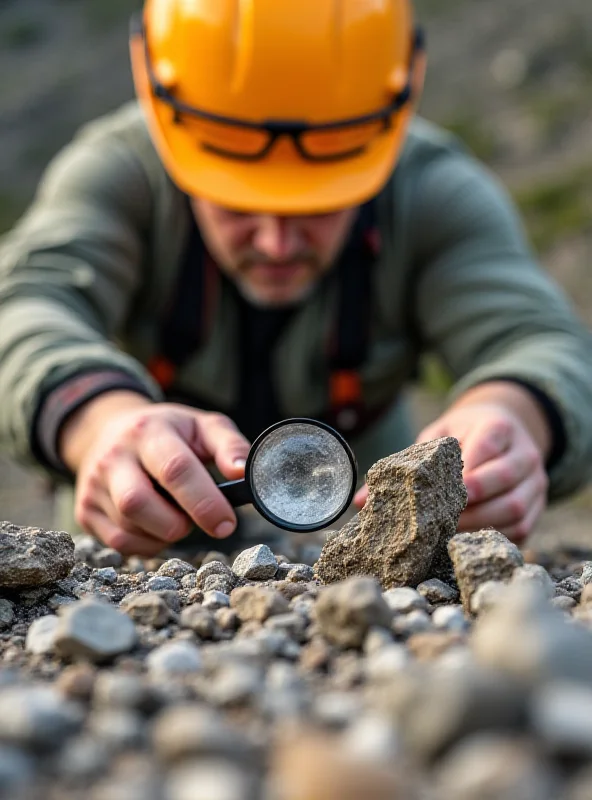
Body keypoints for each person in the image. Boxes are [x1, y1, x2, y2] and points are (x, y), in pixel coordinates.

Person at [0, 0, 591, 558]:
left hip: (373, 553)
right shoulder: (119, 173)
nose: (276, 243)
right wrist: (98, 418)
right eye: (233, 201)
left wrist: (517, 415)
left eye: (319, 204)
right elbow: (26, 303)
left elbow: (543, 342)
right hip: (131, 543)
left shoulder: (436, 192)